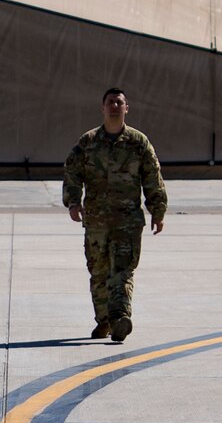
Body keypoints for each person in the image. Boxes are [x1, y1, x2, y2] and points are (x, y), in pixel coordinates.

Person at [63, 87, 167, 343]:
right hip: (97, 221)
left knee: (122, 271)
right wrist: (73, 202)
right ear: (103, 108)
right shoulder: (88, 143)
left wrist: (157, 209)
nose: (114, 107)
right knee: (98, 272)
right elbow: (72, 172)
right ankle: (104, 321)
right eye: (110, 102)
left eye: (119, 103)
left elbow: (152, 177)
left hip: (127, 221)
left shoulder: (138, 143)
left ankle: (121, 317)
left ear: (126, 108)